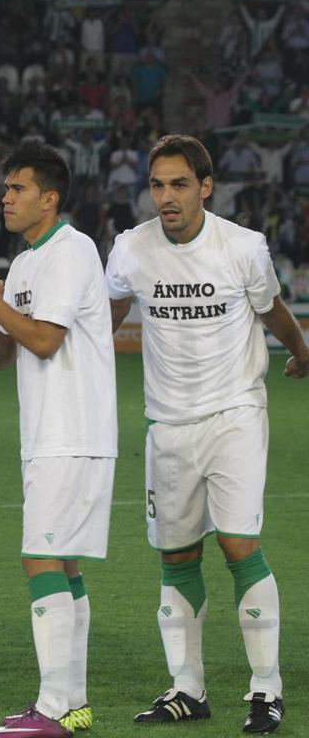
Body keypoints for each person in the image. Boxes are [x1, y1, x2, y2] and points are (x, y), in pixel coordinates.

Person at [105, 134, 309, 735]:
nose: (166, 197)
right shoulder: (130, 249)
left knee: (239, 545)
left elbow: (271, 310)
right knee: (176, 554)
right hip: (166, 423)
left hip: (234, 414)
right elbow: (103, 321)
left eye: (178, 184)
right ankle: (187, 689)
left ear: (206, 185)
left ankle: (266, 690)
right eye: (157, 185)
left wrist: (300, 352)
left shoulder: (243, 247)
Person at [0, 142, 117, 738]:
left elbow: (45, 341)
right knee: (63, 564)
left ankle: (51, 709)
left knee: (39, 557)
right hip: (47, 433)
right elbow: (3, 355)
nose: (5, 198)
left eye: (16, 188)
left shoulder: (72, 252)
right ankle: (74, 704)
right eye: (5, 188)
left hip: (73, 431)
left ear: (50, 197)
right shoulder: (22, 264)